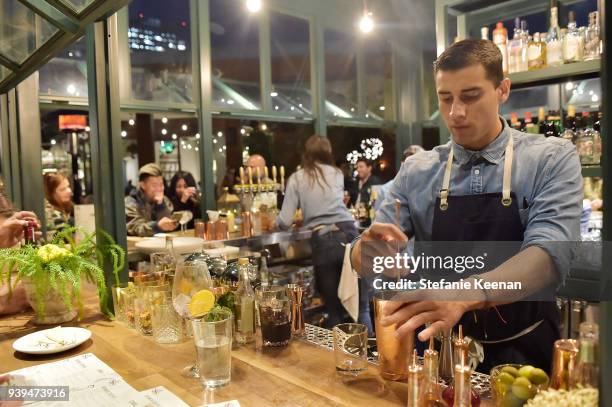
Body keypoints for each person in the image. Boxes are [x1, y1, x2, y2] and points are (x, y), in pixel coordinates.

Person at [350, 39, 582, 372]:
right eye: (446, 99)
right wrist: (366, 252)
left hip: (524, 353)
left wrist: (464, 293)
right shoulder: (417, 170)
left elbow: (549, 254)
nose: (455, 112)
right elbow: (366, 257)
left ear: (502, 90)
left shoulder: (550, 159)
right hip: (439, 353)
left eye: (470, 97)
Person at [276, 135, 372, 331]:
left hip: (324, 241)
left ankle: (338, 358)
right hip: (350, 233)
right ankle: (371, 355)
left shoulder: (297, 178)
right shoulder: (337, 173)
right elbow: (330, 204)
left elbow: (284, 221)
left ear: (306, 153)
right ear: (327, 152)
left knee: (334, 310)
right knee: (361, 306)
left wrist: (276, 223)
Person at [125, 163, 176, 237]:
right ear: (142, 185)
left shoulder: (165, 200)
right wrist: (157, 226)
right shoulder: (131, 202)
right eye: (154, 185)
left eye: (161, 185)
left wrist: (161, 205)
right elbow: (136, 228)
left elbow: (170, 226)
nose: (159, 189)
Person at [374, 145, 425, 211]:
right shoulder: (386, 190)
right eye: (409, 164)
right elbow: (377, 219)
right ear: (402, 164)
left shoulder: (430, 190)